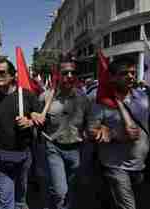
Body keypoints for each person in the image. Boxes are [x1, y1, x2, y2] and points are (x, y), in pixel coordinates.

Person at [89, 57, 150, 209]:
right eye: (124, 73)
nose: (131, 76)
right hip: (115, 166)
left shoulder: (142, 97)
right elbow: (91, 131)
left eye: (132, 72)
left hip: (139, 165)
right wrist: (113, 134)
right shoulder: (101, 102)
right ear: (112, 77)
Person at [0, 58, 43, 209]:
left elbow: (42, 118)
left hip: (24, 155)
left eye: (2, 72)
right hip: (3, 158)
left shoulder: (27, 95)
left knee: (20, 198)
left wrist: (31, 121)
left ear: (12, 76)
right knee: (5, 200)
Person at [40, 62, 91, 209]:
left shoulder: (83, 98)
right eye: (65, 73)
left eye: (73, 73)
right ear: (58, 75)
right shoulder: (45, 97)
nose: (69, 76)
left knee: (71, 189)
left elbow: (91, 122)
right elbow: (36, 118)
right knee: (61, 191)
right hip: (54, 149)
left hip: (76, 149)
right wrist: (35, 116)